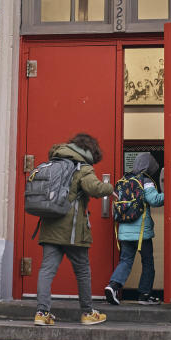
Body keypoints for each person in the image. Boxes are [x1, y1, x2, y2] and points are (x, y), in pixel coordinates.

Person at [34, 133, 113, 327]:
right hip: (72, 231)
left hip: (50, 225)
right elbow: (94, 188)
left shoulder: (54, 162)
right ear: (90, 152)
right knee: (82, 271)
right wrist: (109, 187)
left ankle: (42, 313)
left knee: (46, 269)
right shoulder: (83, 167)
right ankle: (87, 312)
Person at [104, 152, 164, 305]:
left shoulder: (124, 180)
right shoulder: (146, 181)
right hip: (142, 232)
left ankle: (113, 286)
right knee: (148, 262)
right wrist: (168, 194)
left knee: (125, 261)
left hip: (124, 231)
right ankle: (144, 295)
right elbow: (154, 200)